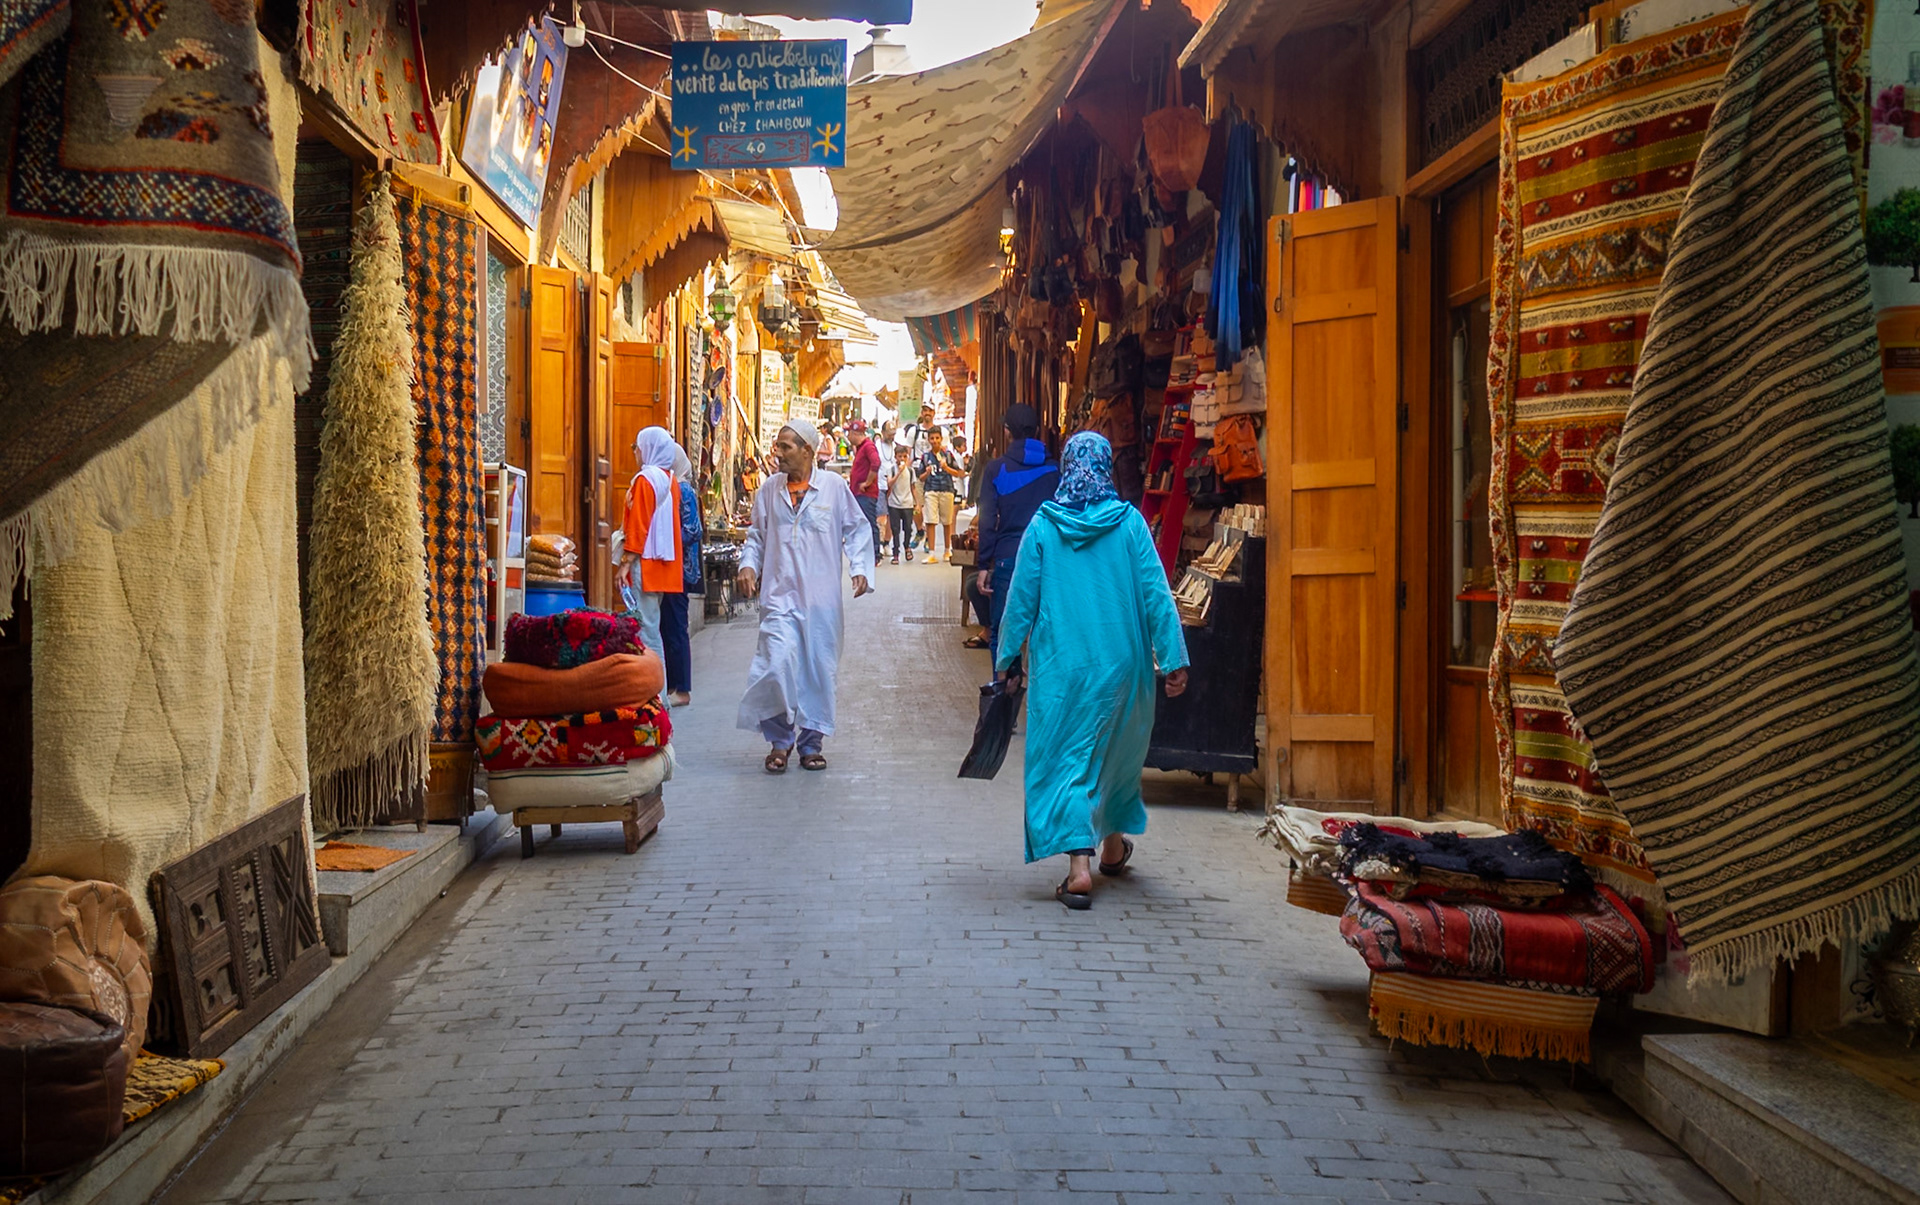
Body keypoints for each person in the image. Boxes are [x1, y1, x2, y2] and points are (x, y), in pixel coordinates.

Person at [995, 432, 1189, 911]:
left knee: (1066, 759)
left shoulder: (1043, 525)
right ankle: (1114, 847)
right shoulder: (1130, 525)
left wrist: (1006, 659)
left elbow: (1021, 600)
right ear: (1106, 468)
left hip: (1063, 667)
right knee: (1114, 754)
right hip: (1123, 667)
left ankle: (1080, 868)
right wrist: (1175, 658)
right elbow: (1156, 595)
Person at [736, 420, 875, 773]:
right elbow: (756, 536)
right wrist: (748, 566)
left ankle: (811, 743)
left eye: (786, 447)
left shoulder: (833, 488)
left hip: (821, 601)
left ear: (808, 452)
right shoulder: (769, 489)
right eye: (777, 446)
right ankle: (779, 741)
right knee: (775, 665)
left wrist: (860, 567)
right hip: (779, 596)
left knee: (818, 670)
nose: (777, 453)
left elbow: (857, 529)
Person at [973, 404, 1058, 656]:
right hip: (1047, 556)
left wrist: (983, 566)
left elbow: (987, 520)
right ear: (1038, 431)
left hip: (1009, 556)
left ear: (1007, 431)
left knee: (1003, 631)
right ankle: (1041, 690)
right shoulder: (1055, 469)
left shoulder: (996, 468)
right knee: (1047, 631)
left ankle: (1005, 688)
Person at [620, 427, 684, 657]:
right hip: (663, 566)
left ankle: (658, 691)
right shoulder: (670, 481)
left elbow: (639, 524)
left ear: (648, 449)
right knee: (651, 628)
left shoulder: (646, 480)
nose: (636, 452)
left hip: (645, 565)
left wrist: (626, 562)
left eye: (637, 447)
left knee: (647, 634)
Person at [659, 446, 703, 707]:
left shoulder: (683, 489)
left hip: (680, 571)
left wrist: (665, 542)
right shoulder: (669, 486)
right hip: (669, 569)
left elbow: (693, 530)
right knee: (667, 627)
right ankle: (674, 685)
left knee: (676, 628)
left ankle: (683, 689)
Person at [918, 428, 963, 563]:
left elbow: (959, 473)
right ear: (928, 440)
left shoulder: (948, 455)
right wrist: (926, 473)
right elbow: (920, 477)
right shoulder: (925, 457)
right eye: (932, 438)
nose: (935, 441)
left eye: (937, 438)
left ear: (941, 439)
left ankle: (947, 550)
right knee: (931, 521)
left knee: (947, 521)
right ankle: (931, 553)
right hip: (931, 490)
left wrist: (947, 468)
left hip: (946, 489)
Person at [846, 419, 882, 561]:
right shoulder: (861, 448)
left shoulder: (868, 446)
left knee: (869, 522)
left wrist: (867, 482)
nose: (848, 436)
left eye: (849, 433)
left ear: (855, 433)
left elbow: (876, 462)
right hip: (859, 493)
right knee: (862, 523)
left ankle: (875, 554)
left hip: (866, 494)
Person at [882, 444, 916, 564]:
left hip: (908, 503)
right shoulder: (891, 470)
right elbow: (889, 484)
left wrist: (916, 502)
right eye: (899, 456)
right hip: (894, 503)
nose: (902, 459)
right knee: (895, 529)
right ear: (895, 457)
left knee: (908, 528)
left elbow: (913, 487)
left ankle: (907, 547)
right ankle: (895, 552)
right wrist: (898, 474)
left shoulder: (911, 471)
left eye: (904, 456)